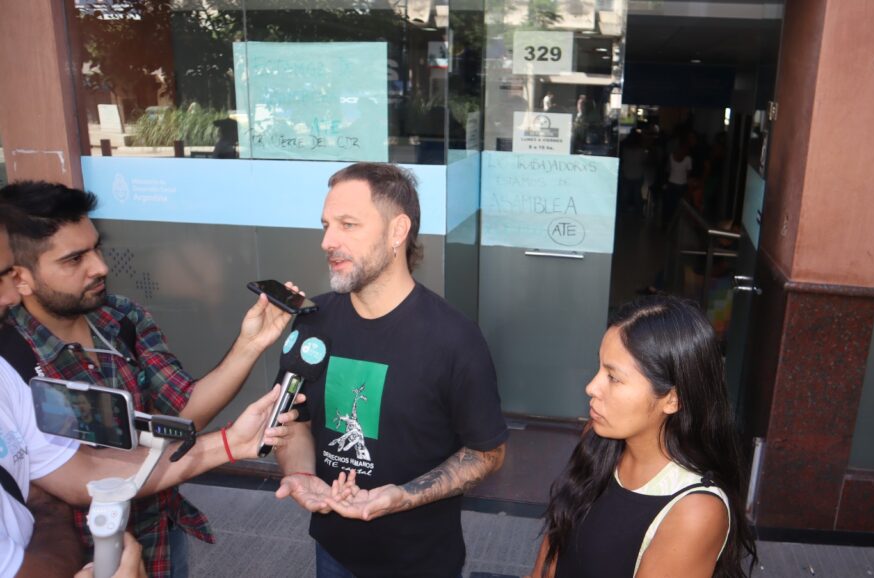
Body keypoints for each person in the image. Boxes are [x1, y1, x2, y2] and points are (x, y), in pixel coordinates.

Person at [0, 181, 295, 578]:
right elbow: (79, 474)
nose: (100, 267)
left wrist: (249, 345)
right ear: (19, 277)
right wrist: (227, 444)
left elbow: (182, 416)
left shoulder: (121, 317)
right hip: (79, 557)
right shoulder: (12, 358)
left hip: (159, 532)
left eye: (96, 248)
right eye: (74, 259)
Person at [274, 162, 508, 578]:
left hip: (421, 561)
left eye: (348, 225)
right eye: (326, 225)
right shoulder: (314, 321)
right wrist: (302, 474)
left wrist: (403, 496)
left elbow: (487, 452)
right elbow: (294, 423)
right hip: (333, 550)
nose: (328, 241)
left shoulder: (454, 339)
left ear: (397, 231)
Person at [528, 295, 756, 578]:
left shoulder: (695, 510)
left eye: (613, 377)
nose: (591, 387)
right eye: (600, 368)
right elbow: (552, 552)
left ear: (672, 399)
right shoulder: (598, 441)